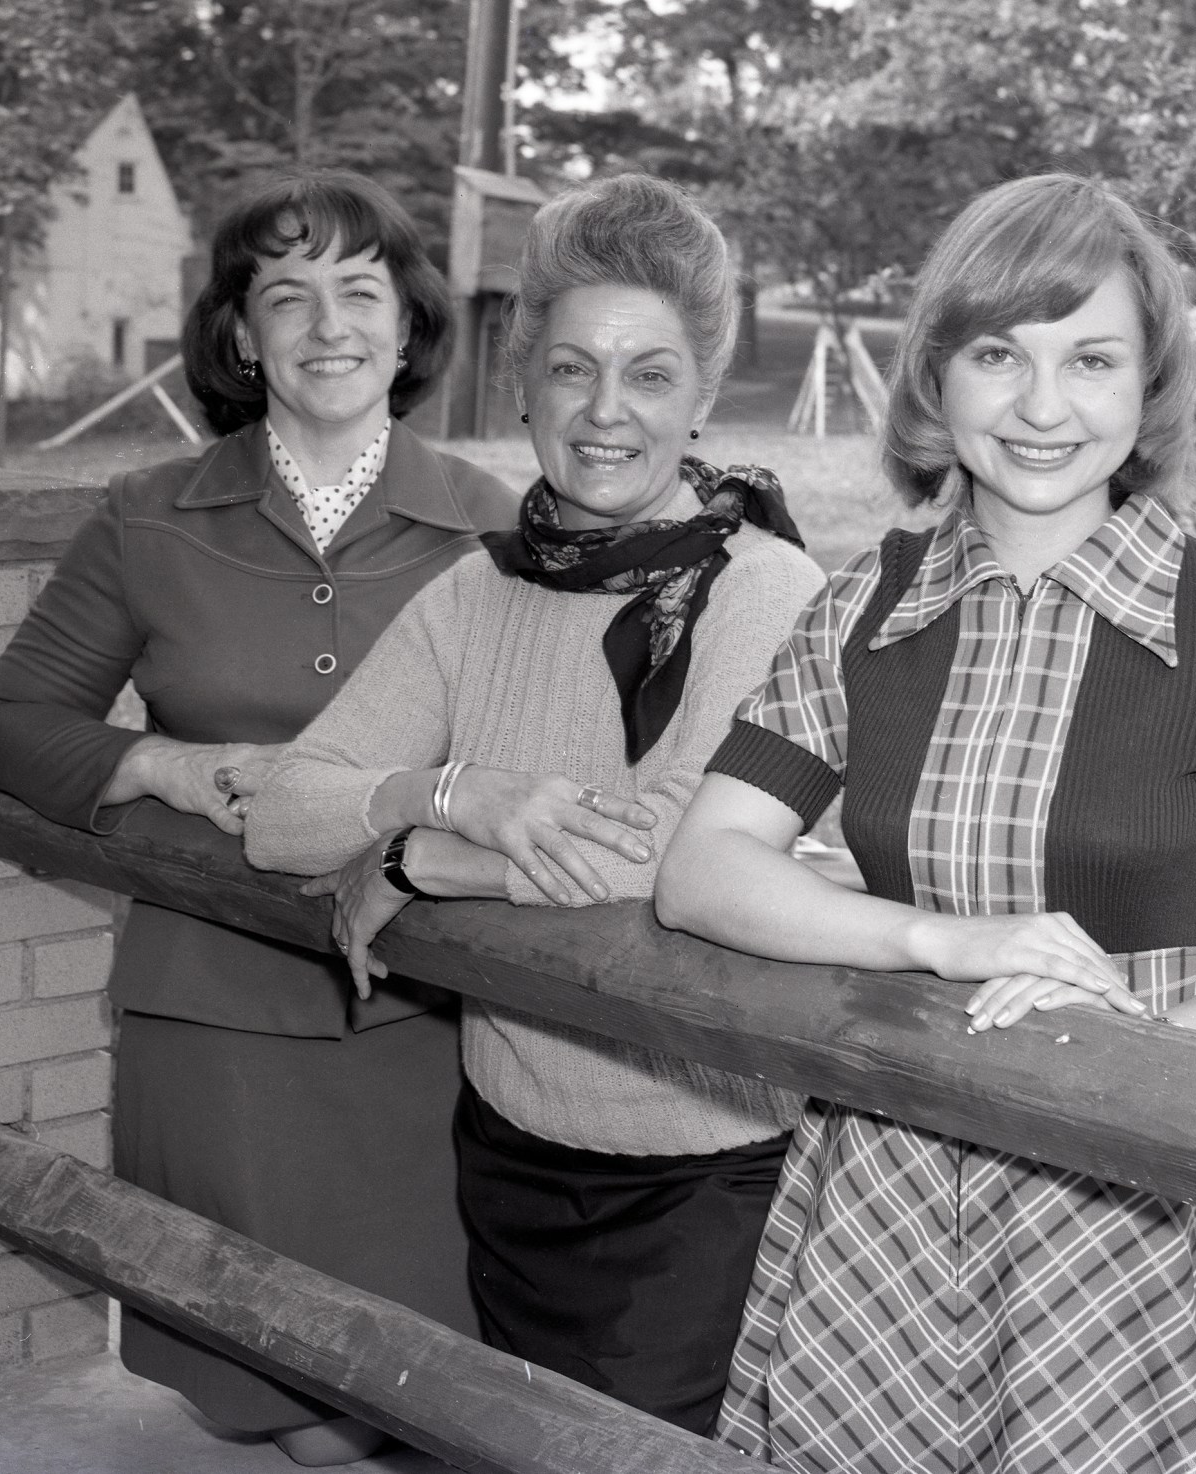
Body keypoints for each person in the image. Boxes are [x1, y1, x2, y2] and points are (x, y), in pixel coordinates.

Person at [655, 173, 1196, 1474]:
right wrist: (941, 940)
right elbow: (703, 868)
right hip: (890, 1207)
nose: (1041, 404)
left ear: (1149, 385)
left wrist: (1124, 1065)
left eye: (1091, 358)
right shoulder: (870, 599)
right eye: (998, 353)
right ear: (937, 375)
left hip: (1133, 1221)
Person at [244, 173, 827, 1436]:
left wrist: (415, 863)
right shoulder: (478, 589)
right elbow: (284, 811)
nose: (605, 411)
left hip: (704, 1160)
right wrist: (449, 790)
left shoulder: (763, 588)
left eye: (649, 375)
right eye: (572, 369)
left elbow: (669, 850)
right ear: (524, 383)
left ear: (703, 397)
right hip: (508, 1138)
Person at [0, 170, 516, 1467]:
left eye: (360, 290)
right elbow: (8, 726)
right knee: (297, 1393)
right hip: (213, 1020)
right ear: (240, 333)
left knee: (438, 1380)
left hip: (436, 1025)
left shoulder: (496, 527)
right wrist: (155, 763)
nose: (329, 323)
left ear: (409, 322)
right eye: (288, 293)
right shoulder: (149, 517)